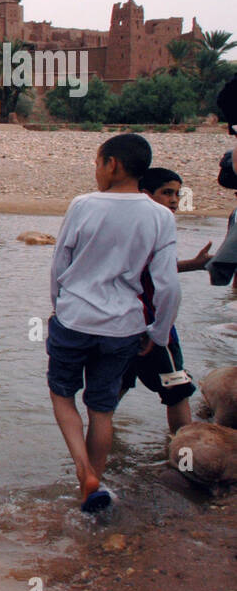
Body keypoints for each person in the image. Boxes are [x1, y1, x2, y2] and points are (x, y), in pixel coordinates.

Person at [47, 134, 180, 513]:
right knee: (101, 410)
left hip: (74, 318)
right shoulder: (160, 216)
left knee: (62, 395)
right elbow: (168, 285)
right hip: (124, 326)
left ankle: (83, 472)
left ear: (113, 165)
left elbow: (60, 263)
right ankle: (93, 488)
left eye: (97, 163)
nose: (96, 171)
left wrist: (60, 307)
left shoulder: (83, 205)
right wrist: (158, 332)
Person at [118, 168, 210, 432]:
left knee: (118, 384)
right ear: (146, 194)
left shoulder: (127, 225)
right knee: (177, 389)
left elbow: (143, 271)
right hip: (152, 327)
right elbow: (166, 285)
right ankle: (183, 454)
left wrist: (193, 264)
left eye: (177, 194)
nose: (174, 200)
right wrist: (159, 333)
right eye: (167, 193)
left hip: (120, 324)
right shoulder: (160, 226)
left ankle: (102, 447)